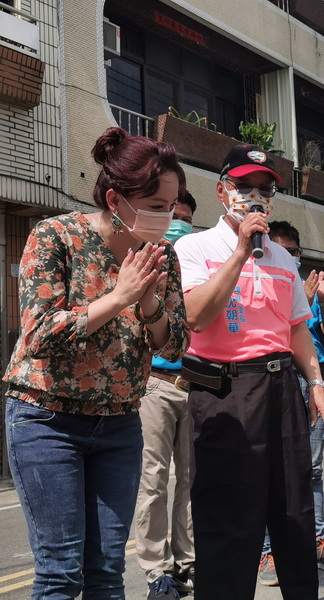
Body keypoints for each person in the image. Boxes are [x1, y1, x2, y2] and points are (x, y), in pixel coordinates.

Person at [3, 127, 190, 599]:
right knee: (61, 572)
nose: (166, 217)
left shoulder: (162, 257)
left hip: (120, 422)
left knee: (107, 570)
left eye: (171, 206)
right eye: (156, 205)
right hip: (47, 419)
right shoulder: (56, 236)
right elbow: (40, 334)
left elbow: (175, 347)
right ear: (115, 199)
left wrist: (149, 304)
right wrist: (120, 296)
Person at [174, 144, 324, 600]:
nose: (255, 196)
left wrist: (316, 384)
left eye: (265, 189)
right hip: (225, 390)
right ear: (221, 190)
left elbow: (297, 328)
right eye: (244, 186)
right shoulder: (194, 247)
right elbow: (195, 316)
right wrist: (242, 251)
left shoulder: (284, 259)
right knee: (229, 514)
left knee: (293, 508)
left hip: (282, 386)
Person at [257, 221, 324, 587]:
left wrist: (322, 300)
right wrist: (302, 300)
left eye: (293, 251)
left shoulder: (308, 289)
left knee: (312, 469)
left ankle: (314, 540)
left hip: (311, 383)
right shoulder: (257, 281)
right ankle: (268, 551)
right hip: (273, 380)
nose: (288, 256)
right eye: (279, 249)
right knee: (268, 471)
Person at [134, 191, 198, 600]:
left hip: (196, 383)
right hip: (155, 383)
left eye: (184, 217)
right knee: (153, 479)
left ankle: (189, 561)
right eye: (170, 214)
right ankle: (156, 569)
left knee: (193, 479)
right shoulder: (143, 259)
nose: (177, 223)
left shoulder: (200, 263)